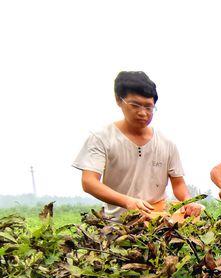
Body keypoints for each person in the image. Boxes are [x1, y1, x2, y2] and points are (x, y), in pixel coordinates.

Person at [73, 71, 203, 220]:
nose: (143, 113)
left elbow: (178, 183)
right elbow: (89, 182)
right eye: (135, 105)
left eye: (149, 107)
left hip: (158, 223)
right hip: (117, 225)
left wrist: (188, 201)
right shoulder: (101, 138)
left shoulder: (167, 144)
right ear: (118, 100)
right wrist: (128, 202)